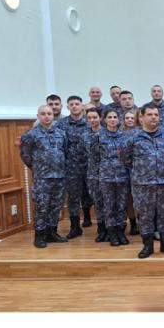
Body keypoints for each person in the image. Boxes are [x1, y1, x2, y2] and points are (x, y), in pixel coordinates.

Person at [121, 103, 164, 258]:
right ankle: (148, 246)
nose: (154, 117)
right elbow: (125, 159)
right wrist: (143, 172)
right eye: (150, 114)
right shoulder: (132, 137)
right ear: (141, 117)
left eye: (156, 115)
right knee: (145, 216)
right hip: (143, 185)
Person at [20, 105, 69, 248]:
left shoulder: (61, 133)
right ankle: (40, 236)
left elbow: (65, 152)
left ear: (53, 116)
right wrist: (37, 168)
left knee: (56, 206)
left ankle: (52, 233)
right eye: (43, 114)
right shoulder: (31, 134)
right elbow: (25, 155)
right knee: (42, 207)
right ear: (38, 116)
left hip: (59, 176)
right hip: (42, 178)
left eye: (49, 113)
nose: (46, 116)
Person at [92, 108, 130, 247]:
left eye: (115, 117)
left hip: (122, 176)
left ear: (119, 120)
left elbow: (129, 156)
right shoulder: (98, 136)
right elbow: (95, 157)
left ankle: (121, 232)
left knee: (121, 205)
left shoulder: (124, 136)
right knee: (109, 206)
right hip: (106, 177)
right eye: (110, 117)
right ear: (105, 119)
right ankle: (112, 233)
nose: (112, 119)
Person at [56, 95, 93, 238]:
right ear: (67, 107)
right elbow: (59, 145)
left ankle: (93, 220)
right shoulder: (61, 124)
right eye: (71, 104)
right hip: (71, 166)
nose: (74, 106)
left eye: (77, 104)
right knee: (73, 196)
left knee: (92, 194)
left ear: (82, 106)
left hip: (90, 165)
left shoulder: (90, 121)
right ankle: (75, 226)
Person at [83, 108, 106, 242]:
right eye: (89, 118)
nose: (92, 120)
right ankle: (101, 229)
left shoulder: (107, 133)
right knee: (98, 202)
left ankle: (111, 229)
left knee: (108, 202)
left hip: (107, 173)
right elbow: (83, 153)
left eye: (95, 117)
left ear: (100, 118)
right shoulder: (85, 135)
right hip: (92, 174)